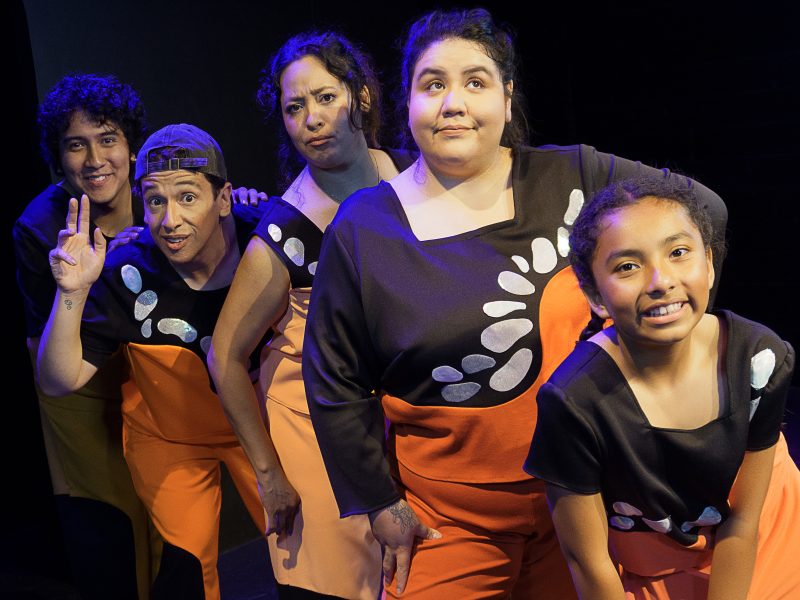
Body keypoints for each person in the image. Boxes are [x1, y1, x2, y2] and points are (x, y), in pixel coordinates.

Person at [302, 8, 728, 598]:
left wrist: (672, 340)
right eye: (433, 85)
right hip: (447, 522)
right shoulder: (364, 227)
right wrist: (379, 504)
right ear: (408, 103)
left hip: (588, 498)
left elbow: (702, 212)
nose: (453, 102)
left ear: (506, 98)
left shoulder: (574, 174)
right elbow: (334, 381)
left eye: (475, 82)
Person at [208, 31, 415, 599]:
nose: (312, 119)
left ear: (362, 97)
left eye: (325, 98)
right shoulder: (284, 232)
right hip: (314, 433)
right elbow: (224, 355)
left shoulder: (414, 180)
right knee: (340, 584)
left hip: (399, 426)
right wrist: (269, 475)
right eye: (294, 108)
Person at [524, 176, 800, 599]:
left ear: (708, 262)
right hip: (655, 559)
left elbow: (743, 522)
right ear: (595, 295)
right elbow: (588, 561)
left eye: (678, 253)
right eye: (627, 267)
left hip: (763, 530)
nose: (660, 280)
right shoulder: (574, 402)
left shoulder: (759, 357)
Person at [37, 123, 268, 600]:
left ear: (224, 198)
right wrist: (71, 293)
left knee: (303, 546)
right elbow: (58, 380)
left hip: (259, 429)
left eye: (188, 197)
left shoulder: (267, 244)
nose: (169, 219)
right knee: (186, 569)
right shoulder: (129, 271)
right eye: (155, 200)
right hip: (168, 436)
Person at [13, 73, 158, 600]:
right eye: (76, 144)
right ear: (59, 154)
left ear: (130, 144)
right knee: (108, 516)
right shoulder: (40, 225)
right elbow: (43, 351)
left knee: (165, 508)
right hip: (77, 384)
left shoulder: (157, 191)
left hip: (151, 369)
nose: (95, 159)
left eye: (107, 138)